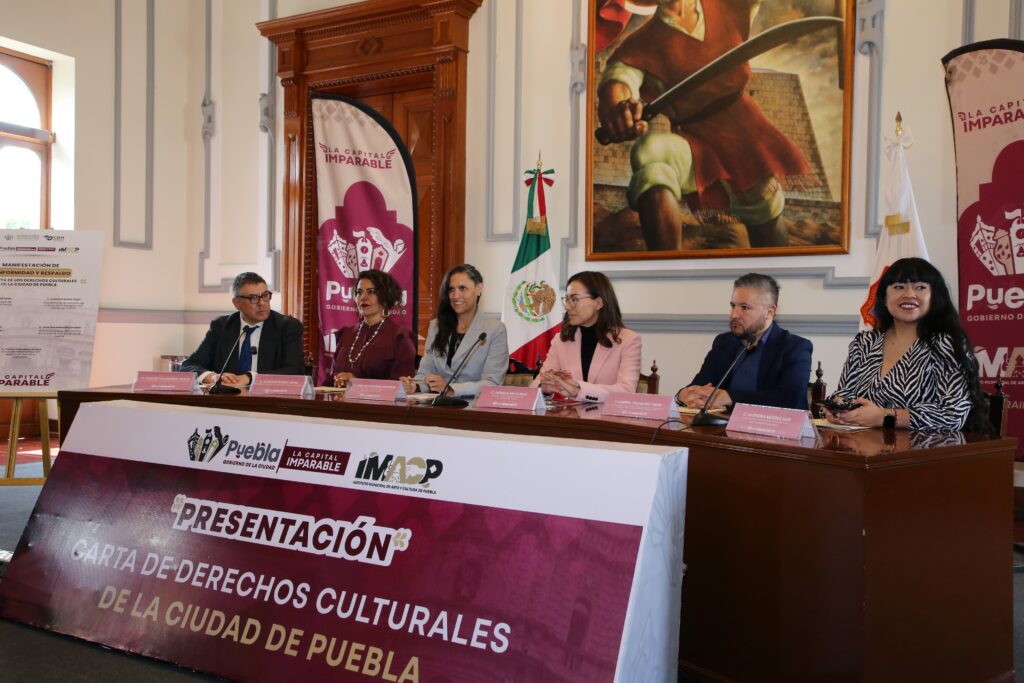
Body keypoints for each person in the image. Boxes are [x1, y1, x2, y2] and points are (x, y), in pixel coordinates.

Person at [596, 0, 815, 250]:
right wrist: (619, 111)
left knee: (764, 212)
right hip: (693, 144)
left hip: (746, 136)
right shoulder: (639, 45)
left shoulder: (731, 5)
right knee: (651, 152)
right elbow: (618, 83)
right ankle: (667, 265)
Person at [825, 258, 989, 432]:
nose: (909, 294)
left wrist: (886, 416)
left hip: (925, 446)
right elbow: (846, 393)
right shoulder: (865, 342)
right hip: (863, 443)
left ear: (934, 296)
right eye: (899, 287)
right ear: (884, 297)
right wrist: (838, 408)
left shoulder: (946, 343)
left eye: (920, 287)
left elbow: (953, 414)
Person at [675, 272, 812, 410]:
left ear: (769, 312)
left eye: (745, 307)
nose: (734, 314)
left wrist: (730, 398)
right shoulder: (724, 342)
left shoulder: (795, 348)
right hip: (720, 423)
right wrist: (682, 396)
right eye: (733, 306)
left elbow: (790, 399)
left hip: (769, 424)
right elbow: (700, 385)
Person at [400, 264, 508, 398]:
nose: (456, 295)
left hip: (474, 406)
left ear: (478, 288)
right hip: (437, 405)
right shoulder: (436, 326)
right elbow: (425, 374)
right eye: (451, 290)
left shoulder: (495, 329)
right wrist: (414, 385)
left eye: (462, 288)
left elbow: (493, 383)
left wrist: (451, 389)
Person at [532, 271, 641, 403]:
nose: (568, 307)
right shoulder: (560, 340)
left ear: (599, 302)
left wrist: (579, 391)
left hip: (608, 415)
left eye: (574, 299)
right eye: (567, 300)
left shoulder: (628, 340)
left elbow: (626, 392)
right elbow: (536, 384)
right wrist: (545, 389)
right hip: (569, 415)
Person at [181, 272, 305, 387]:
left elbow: (296, 370)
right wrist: (214, 377)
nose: (262, 303)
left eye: (265, 296)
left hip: (269, 399)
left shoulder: (287, 327)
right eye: (253, 298)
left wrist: (250, 378)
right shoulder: (221, 326)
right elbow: (189, 365)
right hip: (226, 399)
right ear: (237, 303)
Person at [330, 269, 416, 386]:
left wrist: (358, 383)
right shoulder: (345, 334)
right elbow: (330, 379)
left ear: (385, 297)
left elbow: (401, 386)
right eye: (359, 292)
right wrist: (338, 380)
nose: (363, 297)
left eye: (371, 292)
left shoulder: (400, 337)